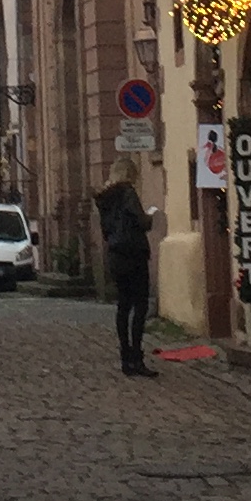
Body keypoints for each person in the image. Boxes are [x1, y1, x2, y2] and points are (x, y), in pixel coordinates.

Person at [95, 154, 163, 376]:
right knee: (140, 306)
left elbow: (106, 230)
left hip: (116, 255)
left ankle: (125, 357)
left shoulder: (104, 198)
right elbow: (141, 222)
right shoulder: (127, 193)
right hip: (134, 254)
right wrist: (151, 216)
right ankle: (137, 357)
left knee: (123, 306)